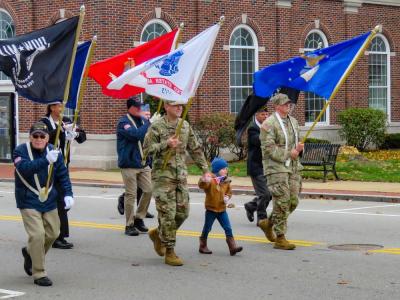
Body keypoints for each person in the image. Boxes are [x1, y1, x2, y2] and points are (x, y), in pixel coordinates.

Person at [143, 101, 210, 266]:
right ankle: (170, 251)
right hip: (162, 177)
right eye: (175, 105)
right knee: (168, 216)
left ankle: (159, 235)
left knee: (183, 213)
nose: (179, 108)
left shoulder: (184, 125)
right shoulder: (157, 126)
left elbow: (195, 148)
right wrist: (166, 144)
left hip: (181, 177)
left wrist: (205, 169)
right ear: (166, 106)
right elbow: (145, 151)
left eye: (181, 105)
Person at [14, 122, 73, 286]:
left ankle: (30, 253)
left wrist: (68, 194)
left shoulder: (54, 151)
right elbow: (24, 168)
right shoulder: (20, 150)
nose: (39, 139)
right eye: (35, 136)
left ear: (47, 138)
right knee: (37, 235)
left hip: (49, 199)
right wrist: (46, 161)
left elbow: (63, 175)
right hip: (28, 199)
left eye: (42, 136)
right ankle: (39, 272)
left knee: (54, 233)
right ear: (30, 136)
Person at [259, 93, 304, 250]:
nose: (288, 106)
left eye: (289, 103)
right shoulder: (269, 124)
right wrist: (288, 154)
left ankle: (268, 223)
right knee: (282, 200)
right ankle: (280, 237)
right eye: (285, 104)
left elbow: (295, 143)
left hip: (292, 166)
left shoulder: (294, 122)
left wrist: (299, 149)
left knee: (292, 201)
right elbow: (268, 148)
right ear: (277, 106)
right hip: (275, 167)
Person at [41, 102, 86, 249]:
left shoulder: (66, 120)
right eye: (59, 106)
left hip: (62, 166)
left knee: (64, 201)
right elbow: (43, 137)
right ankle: (57, 236)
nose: (61, 109)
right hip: (48, 167)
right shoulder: (44, 122)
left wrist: (75, 133)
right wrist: (60, 131)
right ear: (52, 108)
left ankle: (52, 231)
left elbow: (82, 137)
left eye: (62, 106)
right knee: (58, 201)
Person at [116, 96, 154, 236]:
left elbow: (148, 138)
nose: (140, 109)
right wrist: (148, 124)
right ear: (130, 108)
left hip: (143, 163)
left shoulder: (143, 120)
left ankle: (139, 218)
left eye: (141, 107)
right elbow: (135, 135)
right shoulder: (123, 122)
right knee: (131, 194)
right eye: (137, 107)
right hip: (129, 164)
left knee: (149, 190)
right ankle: (129, 224)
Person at [198, 157, 243, 256]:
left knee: (228, 228)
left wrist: (227, 196)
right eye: (223, 168)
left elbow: (229, 192)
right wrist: (203, 179)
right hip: (211, 209)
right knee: (207, 228)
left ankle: (232, 247)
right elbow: (202, 185)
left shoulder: (226, 181)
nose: (226, 170)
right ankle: (202, 245)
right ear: (217, 170)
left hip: (222, 209)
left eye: (226, 168)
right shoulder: (211, 181)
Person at [244, 106, 272, 229]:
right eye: (262, 115)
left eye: (267, 115)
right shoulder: (252, 129)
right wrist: (265, 131)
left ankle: (251, 206)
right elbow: (258, 141)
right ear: (256, 115)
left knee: (270, 194)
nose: (265, 117)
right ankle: (262, 218)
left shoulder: (268, 127)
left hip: (267, 166)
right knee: (265, 194)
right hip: (256, 167)